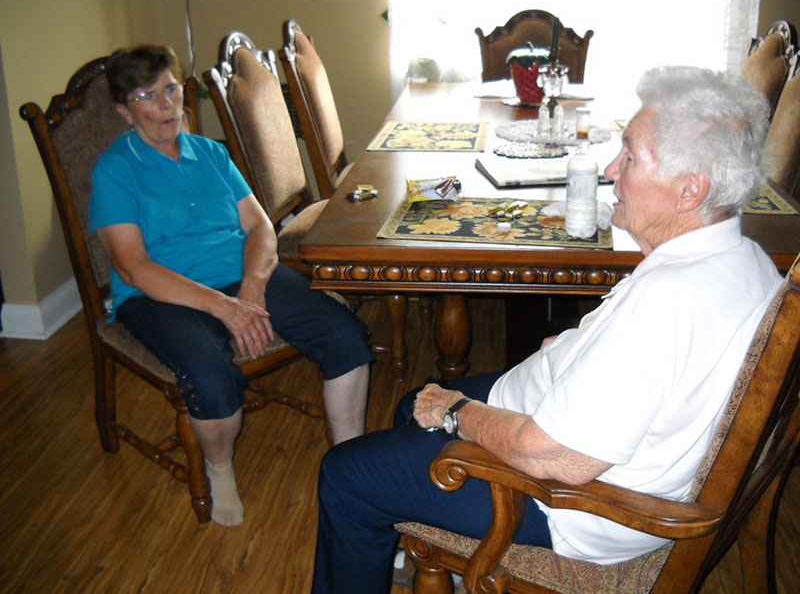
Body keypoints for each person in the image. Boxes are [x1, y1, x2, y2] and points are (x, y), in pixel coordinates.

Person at [310, 66, 783, 593]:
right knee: (411, 405)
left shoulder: (669, 301)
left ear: (689, 190)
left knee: (346, 475)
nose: (611, 169)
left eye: (630, 157)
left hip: (564, 504)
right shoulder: (747, 259)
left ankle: (385, 532)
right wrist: (579, 349)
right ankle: (401, 540)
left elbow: (555, 457)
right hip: (556, 421)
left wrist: (457, 411)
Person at [89, 45, 373, 528]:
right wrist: (224, 307)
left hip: (240, 275)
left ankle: (350, 462)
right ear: (124, 110)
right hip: (159, 295)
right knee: (212, 379)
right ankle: (219, 470)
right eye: (147, 95)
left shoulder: (211, 153)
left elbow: (260, 227)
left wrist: (253, 290)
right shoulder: (115, 169)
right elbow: (133, 268)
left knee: (345, 335)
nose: (166, 104)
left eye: (171, 89)